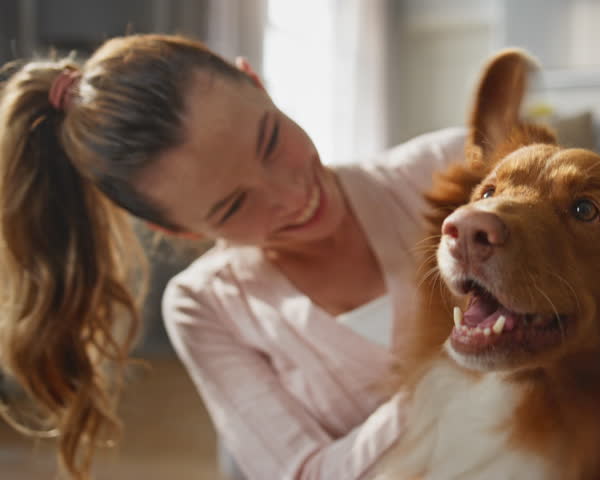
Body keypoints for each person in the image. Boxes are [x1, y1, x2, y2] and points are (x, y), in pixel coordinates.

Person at [0, 34, 465, 480]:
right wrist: (461, 368)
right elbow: (303, 472)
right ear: (179, 231)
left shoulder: (457, 165)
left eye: (270, 141)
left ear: (258, 84)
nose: (291, 194)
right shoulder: (206, 307)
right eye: (235, 206)